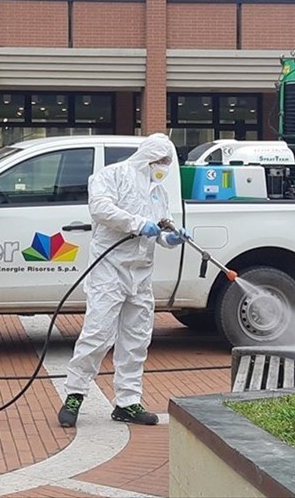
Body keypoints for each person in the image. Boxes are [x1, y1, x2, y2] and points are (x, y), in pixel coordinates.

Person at [57, 132, 188, 428]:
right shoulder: (112, 175)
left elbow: (161, 226)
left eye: (167, 162)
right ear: (147, 156)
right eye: (160, 160)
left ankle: (127, 403)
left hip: (140, 274)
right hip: (109, 270)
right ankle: (75, 395)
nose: (163, 166)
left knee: (136, 340)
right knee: (98, 334)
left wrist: (171, 237)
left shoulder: (158, 191)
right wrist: (139, 224)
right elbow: (102, 210)